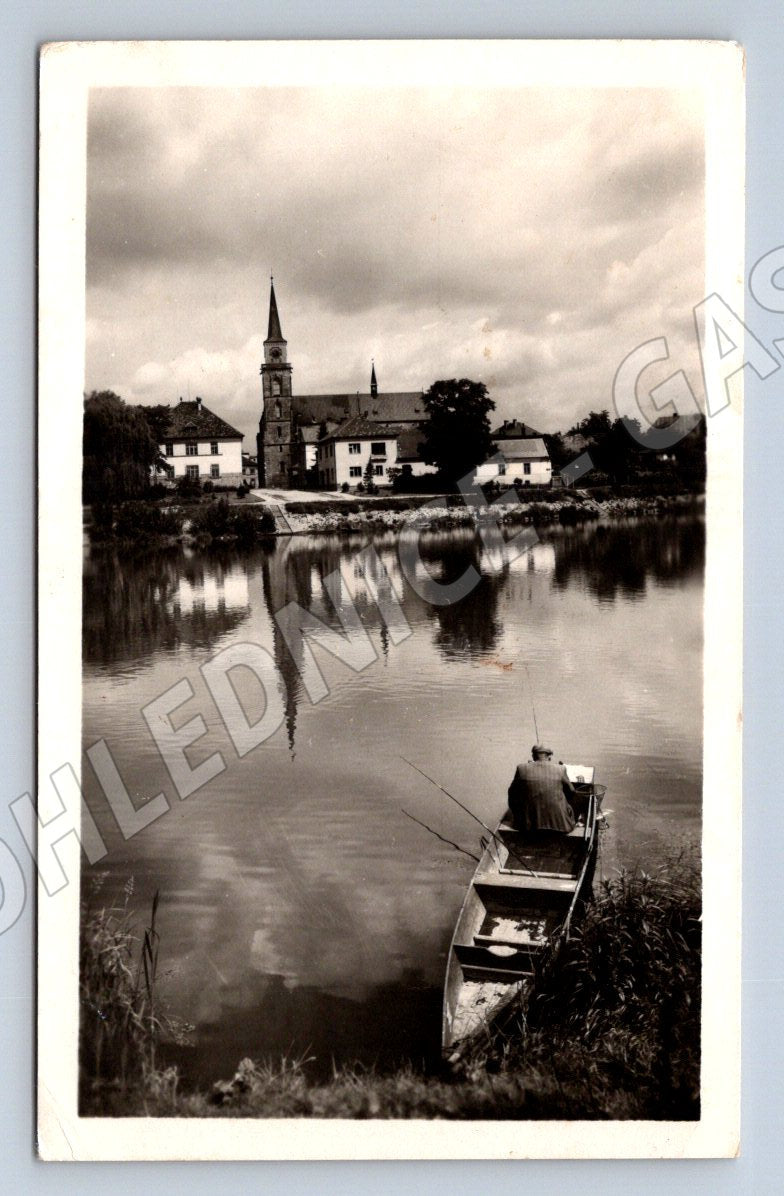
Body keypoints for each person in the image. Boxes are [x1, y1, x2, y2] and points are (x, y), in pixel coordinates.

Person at [507, 745, 577, 833]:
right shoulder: (561, 769)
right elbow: (572, 792)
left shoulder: (521, 768)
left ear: (533, 756)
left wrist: (517, 813)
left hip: (527, 827)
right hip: (560, 826)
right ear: (550, 757)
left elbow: (512, 793)